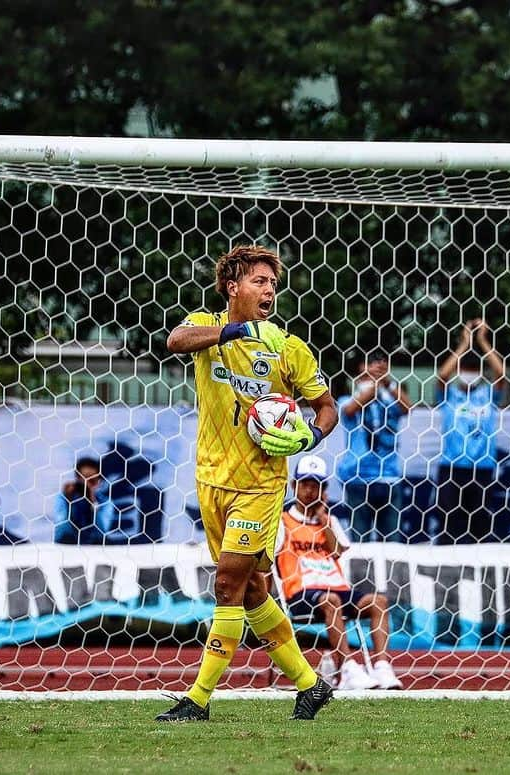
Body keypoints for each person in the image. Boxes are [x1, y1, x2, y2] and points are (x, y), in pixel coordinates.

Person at [156, 244, 338, 722]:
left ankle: (197, 700)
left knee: (227, 584)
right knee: (253, 591)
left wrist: (307, 438)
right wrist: (235, 331)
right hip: (211, 479)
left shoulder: (287, 347)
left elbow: (327, 407)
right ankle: (310, 684)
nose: (269, 291)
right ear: (232, 288)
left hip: (260, 484)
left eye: (273, 284)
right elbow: (174, 341)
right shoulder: (206, 326)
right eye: (259, 282)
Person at [275, 455, 403, 690]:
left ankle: (382, 666)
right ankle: (347, 670)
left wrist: (323, 519)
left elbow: (337, 551)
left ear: (324, 489)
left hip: (336, 588)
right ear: (294, 486)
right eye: (305, 484)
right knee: (331, 601)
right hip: (302, 593)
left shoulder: (329, 521)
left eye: (316, 486)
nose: (310, 491)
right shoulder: (282, 521)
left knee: (378, 602)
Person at [434, 318, 507, 543]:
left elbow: (501, 374)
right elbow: (441, 377)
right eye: (466, 369)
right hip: (452, 468)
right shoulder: (450, 396)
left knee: (479, 528)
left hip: (482, 469)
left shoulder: (486, 395)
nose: (470, 373)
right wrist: (464, 343)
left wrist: (483, 341)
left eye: (475, 369)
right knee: (449, 527)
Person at [335, 351, 413, 542]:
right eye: (371, 366)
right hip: (358, 478)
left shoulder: (390, 400)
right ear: (359, 371)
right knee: (360, 543)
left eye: (380, 367)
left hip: (389, 477)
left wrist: (388, 383)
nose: (376, 371)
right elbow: (351, 409)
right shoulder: (347, 400)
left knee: (392, 545)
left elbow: (408, 407)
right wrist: (376, 384)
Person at [53, 456, 105, 544]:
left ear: (99, 480)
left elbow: (102, 532)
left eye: (92, 480)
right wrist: (68, 501)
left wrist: (93, 503)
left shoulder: (105, 502)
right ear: (77, 479)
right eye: (83, 479)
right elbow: (61, 531)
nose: (87, 484)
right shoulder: (63, 497)